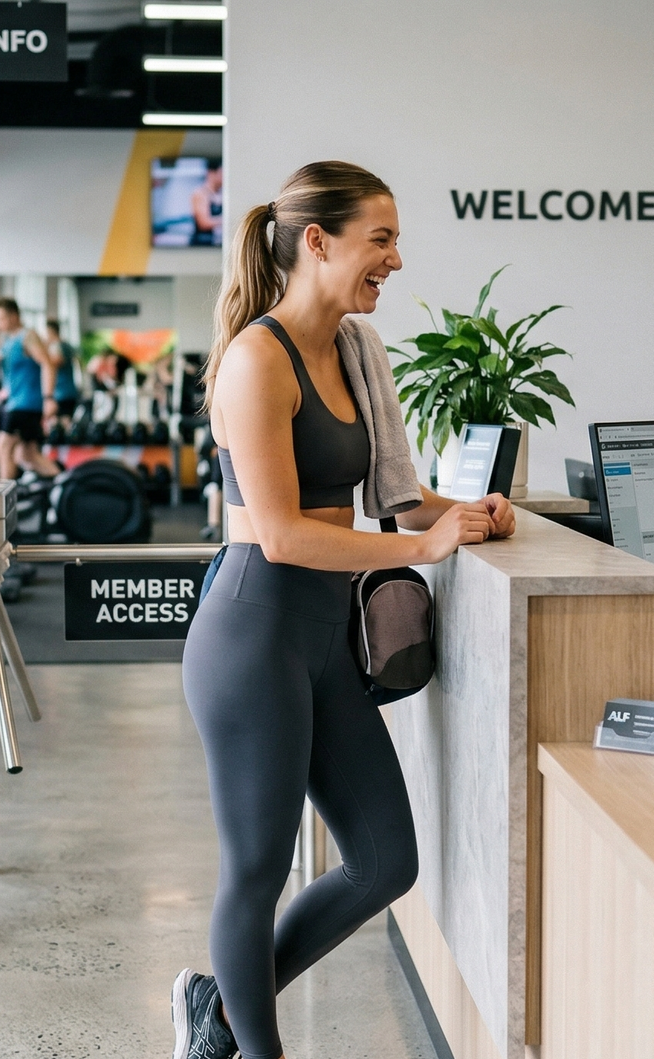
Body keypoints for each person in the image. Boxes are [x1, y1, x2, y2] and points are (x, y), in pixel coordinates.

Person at [171, 161, 517, 1059]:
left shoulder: (353, 349)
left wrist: (464, 514)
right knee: (257, 868)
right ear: (318, 242)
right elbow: (283, 534)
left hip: (325, 635)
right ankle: (252, 1046)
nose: (395, 260)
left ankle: (219, 1005)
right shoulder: (258, 358)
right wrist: (421, 550)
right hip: (255, 630)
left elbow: (396, 498)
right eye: (382, 239)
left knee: (384, 859)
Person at [0, 297, 61, 480]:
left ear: (14, 316)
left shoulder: (28, 336)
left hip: (27, 403)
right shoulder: (8, 342)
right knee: (27, 456)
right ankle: (65, 484)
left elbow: (47, 364)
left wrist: (49, 398)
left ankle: (4, 496)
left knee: (3, 445)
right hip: (16, 403)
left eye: (1, 319)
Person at [43, 317, 82, 429]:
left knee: (63, 422)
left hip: (62, 392)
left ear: (50, 332)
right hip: (69, 391)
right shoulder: (67, 345)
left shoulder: (57, 346)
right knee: (65, 421)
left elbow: (56, 362)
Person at [191, 161, 224, 246]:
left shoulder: (222, 194)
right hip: (201, 245)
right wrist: (225, 220)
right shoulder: (200, 194)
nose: (224, 176)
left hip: (217, 243)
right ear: (211, 173)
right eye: (221, 173)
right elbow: (203, 223)